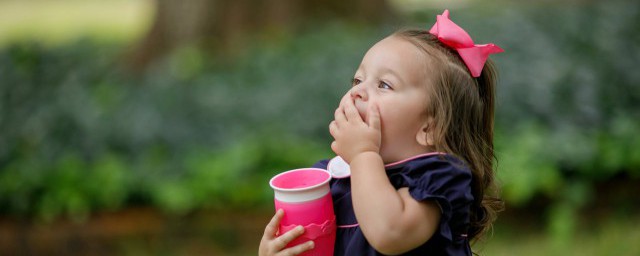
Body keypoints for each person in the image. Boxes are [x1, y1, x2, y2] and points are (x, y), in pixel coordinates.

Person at [259, 10, 504, 255]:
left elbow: (390, 233)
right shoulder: (331, 179)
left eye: (384, 85)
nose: (357, 92)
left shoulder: (438, 179)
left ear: (431, 127)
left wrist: (363, 154)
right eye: (357, 80)